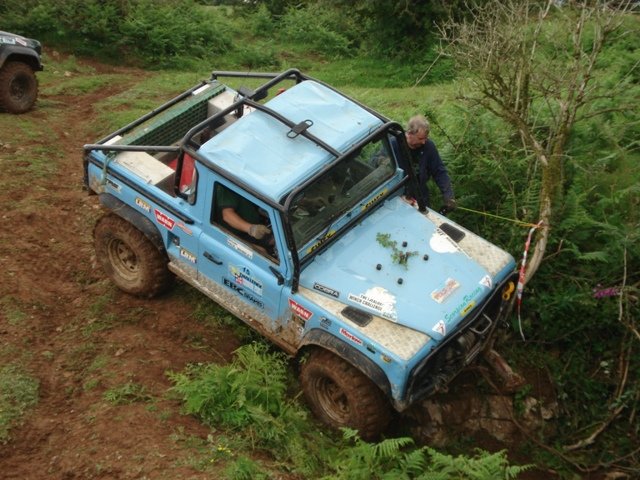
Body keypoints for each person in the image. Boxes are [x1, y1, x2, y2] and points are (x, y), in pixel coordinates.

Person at [401, 115, 456, 213]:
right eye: (420, 138)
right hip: (399, 199)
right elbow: (377, 163)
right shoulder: (395, 144)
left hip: (421, 199)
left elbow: (439, 172)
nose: (423, 142)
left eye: (425, 138)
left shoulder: (428, 147)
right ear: (410, 134)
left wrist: (449, 196)